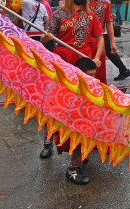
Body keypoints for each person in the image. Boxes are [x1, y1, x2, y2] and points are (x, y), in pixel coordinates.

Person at [39, 57, 98, 185]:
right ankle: (72, 169)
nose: (93, 78)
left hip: (76, 123)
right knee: (80, 134)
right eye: (90, 75)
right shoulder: (64, 88)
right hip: (64, 125)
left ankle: (80, 158)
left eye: (94, 74)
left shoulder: (93, 87)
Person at [40, 0, 105, 71]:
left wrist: (97, 57)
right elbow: (43, 38)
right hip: (63, 56)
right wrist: (46, 37)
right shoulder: (59, 13)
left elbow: (100, 37)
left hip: (84, 55)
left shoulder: (90, 15)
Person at [86, 0, 130, 83]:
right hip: (85, 40)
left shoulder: (104, 3)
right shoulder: (83, 2)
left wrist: (112, 42)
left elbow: (109, 23)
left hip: (101, 37)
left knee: (100, 66)